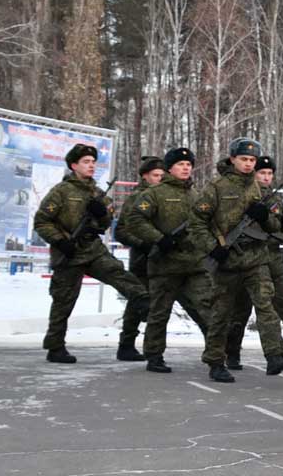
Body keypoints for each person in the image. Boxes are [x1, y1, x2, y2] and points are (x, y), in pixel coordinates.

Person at [33, 144, 150, 364]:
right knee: (63, 301)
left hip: (92, 249)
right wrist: (59, 240)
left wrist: (101, 214)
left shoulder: (97, 192)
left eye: (93, 162)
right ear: (73, 165)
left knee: (118, 273)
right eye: (86, 162)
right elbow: (42, 221)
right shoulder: (61, 192)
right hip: (68, 251)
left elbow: (106, 223)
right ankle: (55, 347)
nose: (91, 166)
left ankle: (144, 302)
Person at [190, 138, 283, 382]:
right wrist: (213, 248)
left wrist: (265, 217)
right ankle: (215, 361)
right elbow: (196, 221)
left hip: (256, 258)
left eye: (252, 160)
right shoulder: (217, 187)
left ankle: (274, 355)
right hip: (226, 261)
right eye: (244, 159)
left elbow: (277, 226)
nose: (248, 164)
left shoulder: (261, 189)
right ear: (233, 159)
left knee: (266, 305)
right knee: (221, 314)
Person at [120, 147, 214, 373]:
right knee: (159, 312)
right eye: (181, 164)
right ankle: (154, 355)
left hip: (194, 264)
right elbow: (134, 220)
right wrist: (158, 239)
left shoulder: (196, 194)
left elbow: (208, 222)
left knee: (208, 308)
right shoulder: (154, 194)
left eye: (189, 164)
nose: (186, 168)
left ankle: (217, 355)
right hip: (165, 265)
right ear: (169, 168)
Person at [225, 155, 283, 369]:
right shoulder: (242, 194)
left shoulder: (275, 200)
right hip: (250, 257)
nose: (266, 177)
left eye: (269, 173)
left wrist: (277, 229)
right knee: (242, 308)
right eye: (261, 173)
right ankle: (232, 352)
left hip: (273, 257)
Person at [110, 155, 166, 361]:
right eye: (155, 175)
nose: (159, 178)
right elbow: (122, 231)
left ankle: (150, 347)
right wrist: (144, 243)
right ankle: (127, 344)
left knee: (159, 303)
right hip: (143, 258)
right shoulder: (137, 197)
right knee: (138, 301)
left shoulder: (164, 195)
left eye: (162, 175)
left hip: (163, 258)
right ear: (145, 176)